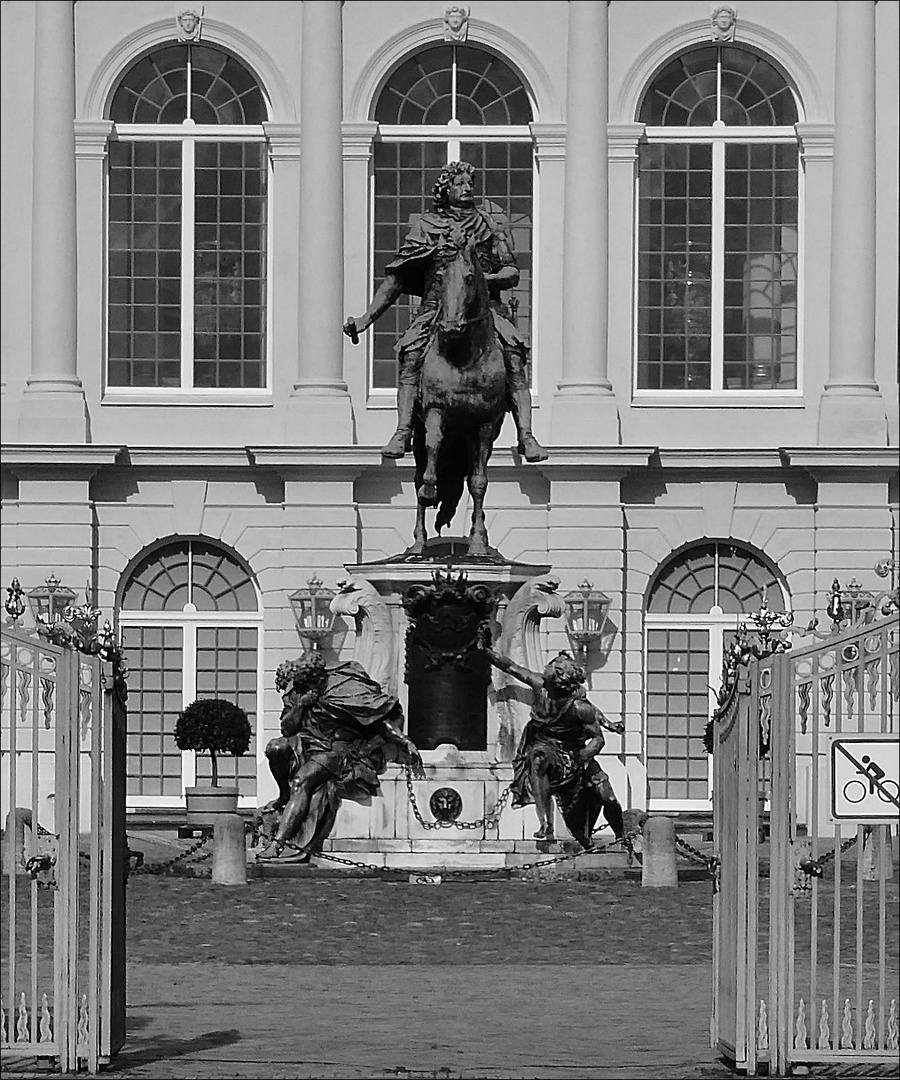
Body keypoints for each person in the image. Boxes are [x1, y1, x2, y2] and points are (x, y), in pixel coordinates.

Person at [343, 161, 547, 464]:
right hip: (436, 309)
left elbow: (512, 272)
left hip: (485, 310)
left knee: (514, 354)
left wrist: (484, 280)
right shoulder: (426, 227)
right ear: (446, 189)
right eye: (459, 184)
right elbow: (395, 280)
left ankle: (526, 435)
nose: (466, 189)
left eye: (470, 184)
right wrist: (365, 319)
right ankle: (403, 429)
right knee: (410, 353)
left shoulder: (489, 226)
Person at [257, 654, 425, 860]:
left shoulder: (344, 689)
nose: (301, 686)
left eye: (306, 682)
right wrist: (300, 705)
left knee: (302, 780)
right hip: (306, 743)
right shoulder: (298, 691)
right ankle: (284, 796)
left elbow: (379, 719)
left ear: (317, 676)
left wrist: (404, 741)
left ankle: (278, 844)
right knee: (275, 747)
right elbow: (287, 729)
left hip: (334, 750)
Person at [484, 647, 625, 849]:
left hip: (575, 752)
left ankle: (622, 838)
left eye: (553, 666)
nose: (547, 667)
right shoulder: (540, 684)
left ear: (561, 677)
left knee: (608, 798)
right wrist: (487, 653)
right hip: (545, 745)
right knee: (537, 759)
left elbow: (598, 740)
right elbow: (511, 667)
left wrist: (583, 756)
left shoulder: (581, 707)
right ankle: (545, 822)